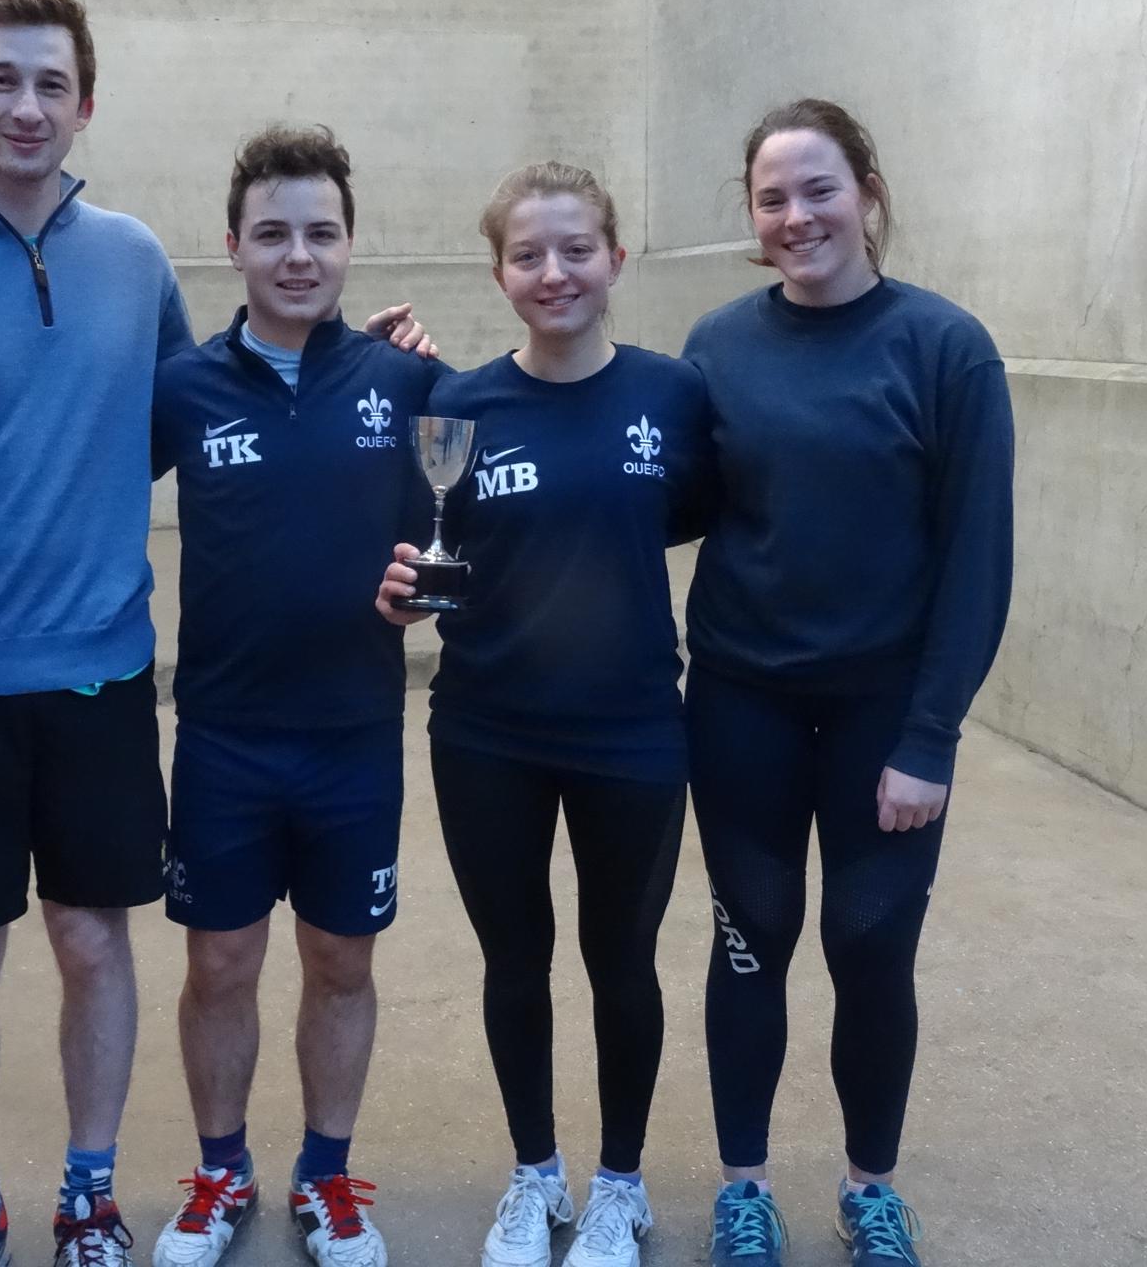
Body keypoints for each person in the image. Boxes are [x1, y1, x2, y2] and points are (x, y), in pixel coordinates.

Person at [0, 0, 432, 1267]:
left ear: (85, 104)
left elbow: (203, 416)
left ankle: (91, 1192)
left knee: (96, 944)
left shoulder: (134, 262)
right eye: (2, 80)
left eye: (51, 85)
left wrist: (352, 365)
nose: (26, 107)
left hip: (101, 677)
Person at [678, 99, 1014, 1267]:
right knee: (748, 940)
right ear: (753, 215)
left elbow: (979, 561)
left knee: (871, 949)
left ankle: (871, 1186)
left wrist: (931, 736)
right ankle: (744, 1186)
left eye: (818, 189)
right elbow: (660, 502)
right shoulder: (718, 346)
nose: (796, 216)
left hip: (883, 715)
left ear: (867, 191)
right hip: (739, 701)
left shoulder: (945, 347)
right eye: (772, 198)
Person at [377, 162, 711, 1267]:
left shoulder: (674, 395)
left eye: (577, 250)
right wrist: (412, 592)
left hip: (632, 734)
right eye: (529, 255)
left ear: (616, 258)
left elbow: (689, 515)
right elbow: (445, 556)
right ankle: (535, 1175)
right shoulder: (457, 406)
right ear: (499, 273)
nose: (554, 272)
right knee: (513, 960)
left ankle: (620, 1185)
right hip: (487, 734)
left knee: (624, 962)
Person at [146, 125, 443, 1267]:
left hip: (356, 736)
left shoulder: (407, 379)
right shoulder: (180, 388)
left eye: (321, 232)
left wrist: (434, 599)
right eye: (273, 233)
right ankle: (223, 1173)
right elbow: (85, 493)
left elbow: (463, 535)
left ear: (349, 244)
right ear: (233, 247)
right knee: (218, 963)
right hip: (222, 738)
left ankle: (327, 1178)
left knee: (341, 963)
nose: (298, 254)